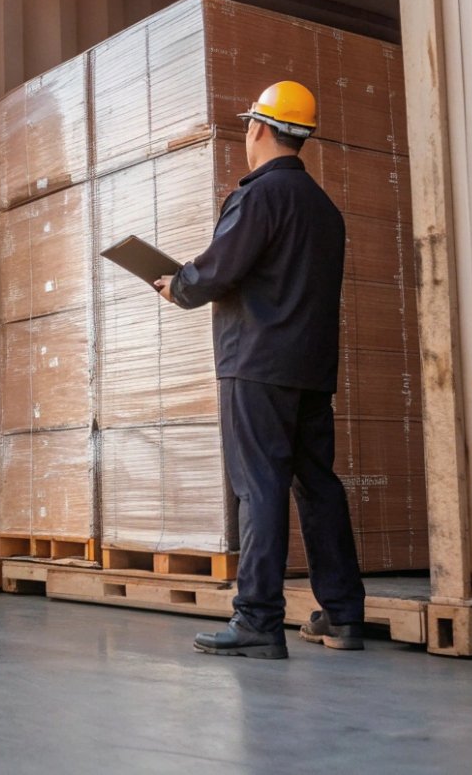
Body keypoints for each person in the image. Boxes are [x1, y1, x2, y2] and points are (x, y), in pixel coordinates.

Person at [153, 80, 364, 660]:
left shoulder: (259, 196)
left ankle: (258, 621)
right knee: (318, 485)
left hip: (257, 365)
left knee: (259, 488)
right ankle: (343, 616)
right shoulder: (326, 210)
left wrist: (179, 286)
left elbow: (220, 270)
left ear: (260, 129)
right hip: (312, 369)